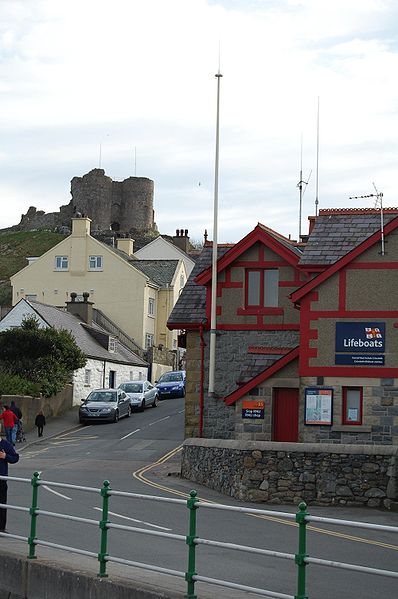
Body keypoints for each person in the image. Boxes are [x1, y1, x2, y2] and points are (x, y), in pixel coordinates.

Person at [0, 434, 19, 533]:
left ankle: (1, 528)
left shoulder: (5, 444)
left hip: (1, 480)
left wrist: (5, 456)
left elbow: (15, 458)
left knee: (2, 504)